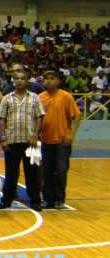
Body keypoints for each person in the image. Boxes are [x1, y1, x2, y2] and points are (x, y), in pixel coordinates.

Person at [0, 70, 45, 211]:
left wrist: (36, 134)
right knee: (11, 173)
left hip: (31, 142)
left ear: (28, 80)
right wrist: (3, 138)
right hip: (12, 141)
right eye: (16, 78)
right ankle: (7, 199)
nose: (19, 81)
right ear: (13, 80)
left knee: (33, 173)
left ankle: (35, 200)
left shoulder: (35, 98)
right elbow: (2, 119)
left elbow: (39, 117)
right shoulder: (7, 98)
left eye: (22, 78)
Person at [39, 70, 80, 209]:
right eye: (46, 79)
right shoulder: (40, 98)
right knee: (46, 171)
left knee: (61, 171)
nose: (48, 81)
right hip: (45, 140)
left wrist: (71, 134)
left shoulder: (66, 97)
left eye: (52, 78)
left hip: (62, 141)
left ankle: (59, 199)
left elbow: (76, 116)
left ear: (58, 81)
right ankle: (47, 199)